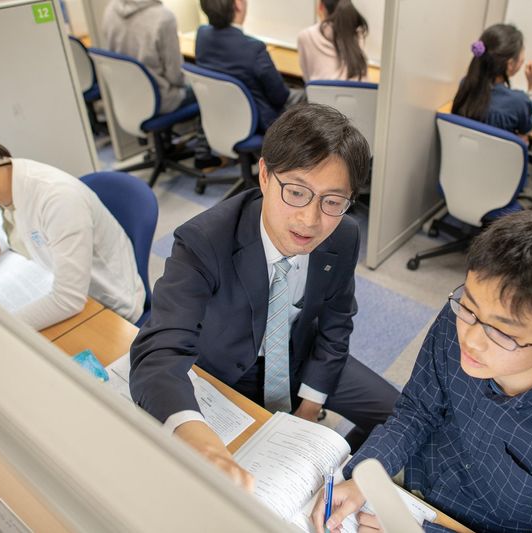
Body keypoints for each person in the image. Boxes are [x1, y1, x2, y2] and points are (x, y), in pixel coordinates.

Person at [129, 103, 399, 489]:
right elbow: (157, 354)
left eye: (332, 201)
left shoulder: (344, 233)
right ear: (265, 176)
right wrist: (202, 443)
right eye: (296, 192)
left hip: (300, 354)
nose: (310, 219)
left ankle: (339, 480)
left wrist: (309, 406)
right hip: (226, 367)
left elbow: (337, 320)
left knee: (397, 416)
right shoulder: (204, 240)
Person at [311, 209, 532, 533]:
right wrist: (365, 475)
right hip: (423, 491)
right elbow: (417, 410)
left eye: (503, 333)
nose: (472, 340)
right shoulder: (457, 320)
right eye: (470, 306)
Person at [0, 140, 145, 330]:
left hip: (109, 306)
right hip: (68, 289)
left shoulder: (58, 199)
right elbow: (11, 222)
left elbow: (68, 300)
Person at [103, 0, 218, 168]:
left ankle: (165, 145)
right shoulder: (163, 18)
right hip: (160, 100)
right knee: (206, 86)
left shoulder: (111, 10)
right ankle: (203, 156)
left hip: (128, 99)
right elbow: (176, 77)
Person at [450, 24, 532, 209]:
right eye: (521, 59)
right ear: (510, 65)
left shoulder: (466, 86)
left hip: (465, 176)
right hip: (500, 185)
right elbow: (530, 127)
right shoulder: (518, 101)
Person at [196, 0, 304, 132]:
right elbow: (280, 97)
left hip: (221, 115)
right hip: (259, 122)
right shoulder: (253, 48)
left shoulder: (202, 35)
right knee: (305, 94)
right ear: (238, 4)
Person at [297, 0, 369, 82]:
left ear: (321, 6)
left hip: (320, 94)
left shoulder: (306, 36)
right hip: (359, 94)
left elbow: (307, 81)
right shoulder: (358, 35)